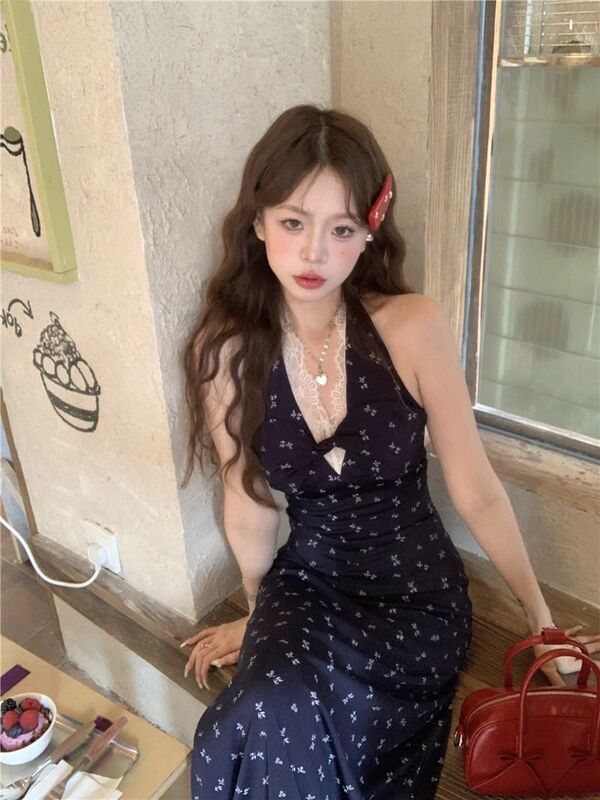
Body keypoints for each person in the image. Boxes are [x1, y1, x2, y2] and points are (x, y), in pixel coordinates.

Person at [180, 104, 600, 800]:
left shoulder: (412, 327)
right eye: (293, 222)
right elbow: (247, 500)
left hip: (414, 598)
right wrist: (261, 620)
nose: (314, 253)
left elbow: (476, 490)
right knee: (262, 706)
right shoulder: (226, 351)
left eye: (342, 229)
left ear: (369, 233)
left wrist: (541, 619)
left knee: (293, 717)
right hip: (308, 583)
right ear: (258, 222)